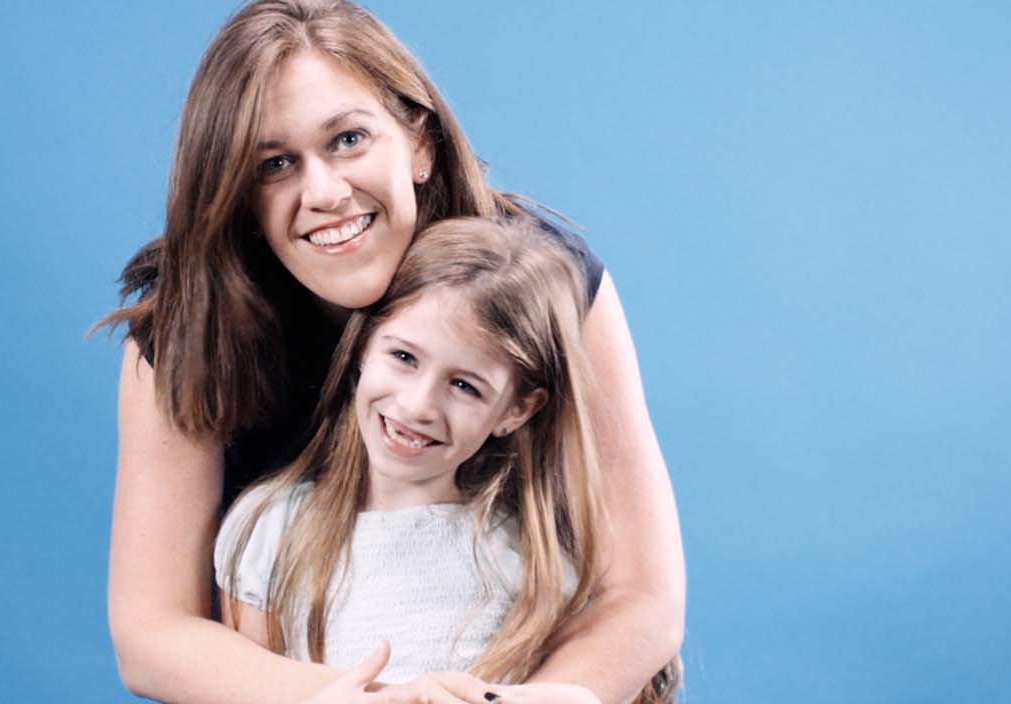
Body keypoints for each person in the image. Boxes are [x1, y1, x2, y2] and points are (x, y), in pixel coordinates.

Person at [101, 1, 684, 702]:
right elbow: (152, 633)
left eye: (348, 139)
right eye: (275, 164)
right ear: (235, 194)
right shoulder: (187, 331)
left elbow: (645, 597)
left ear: (419, 143)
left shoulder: (545, 284)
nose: (324, 192)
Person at [213, 217, 669, 704]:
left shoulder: (536, 561)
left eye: (464, 386)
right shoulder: (268, 529)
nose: (416, 407)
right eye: (405, 358)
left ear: (517, 410)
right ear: (365, 344)